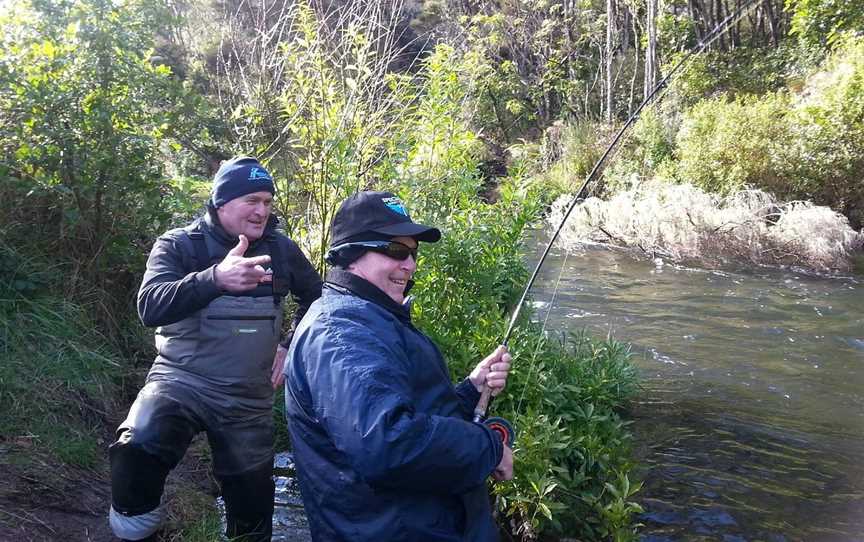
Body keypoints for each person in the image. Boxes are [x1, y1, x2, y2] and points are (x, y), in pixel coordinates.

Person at [108, 157, 322, 542]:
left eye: (268, 202)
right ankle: (138, 530)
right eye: (252, 200)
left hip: (248, 396)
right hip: (180, 379)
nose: (262, 210)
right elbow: (150, 306)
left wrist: (290, 345)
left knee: (252, 515)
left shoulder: (283, 250)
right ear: (222, 202)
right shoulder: (178, 245)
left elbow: (319, 299)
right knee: (136, 447)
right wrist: (214, 279)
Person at [284, 190, 514, 541]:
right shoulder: (342, 332)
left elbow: (404, 409)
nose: (410, 264)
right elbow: (387, 443)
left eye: (413, 253)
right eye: (396, 251)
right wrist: (489, 447)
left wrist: (469, 391)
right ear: (351, 254)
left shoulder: (370, 315)